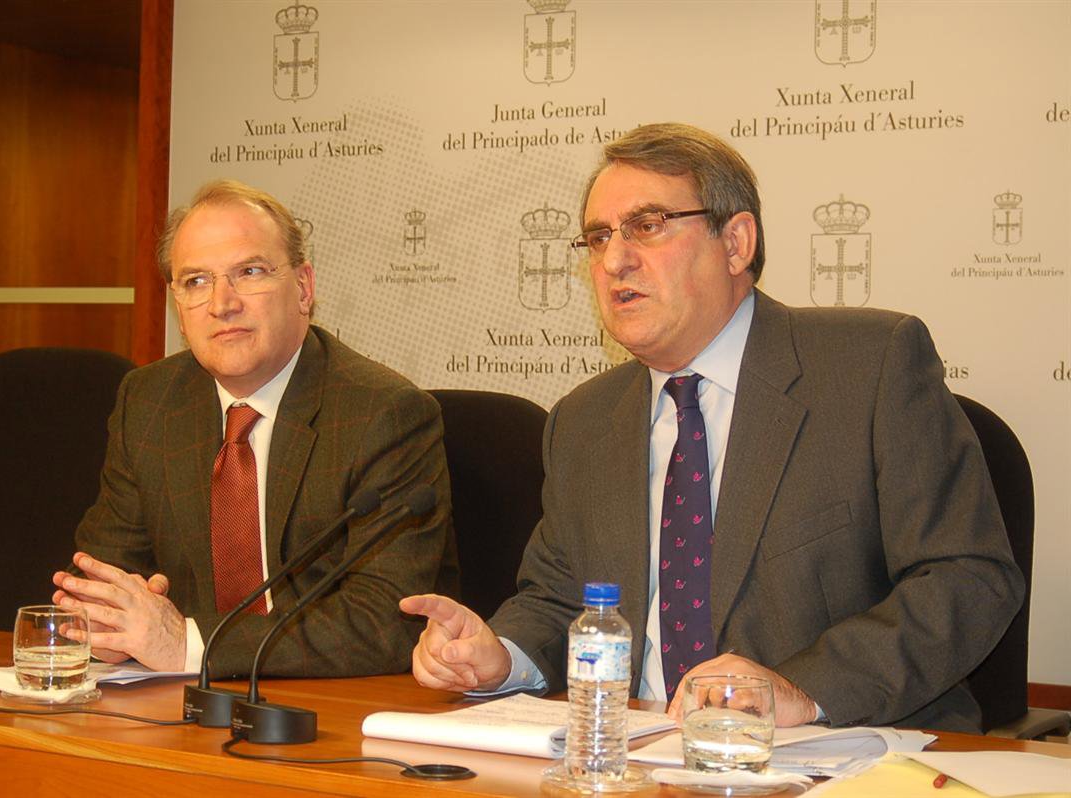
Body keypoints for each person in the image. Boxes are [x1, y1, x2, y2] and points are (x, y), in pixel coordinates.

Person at [401, 123, 1023, 733]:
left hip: (839, 749)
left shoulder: (869, 368)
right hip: (638, 750)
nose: (614, 260)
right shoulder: (584, 419)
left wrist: (803, 688)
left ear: (736, 243)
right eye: (597, 237)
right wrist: (501, 656)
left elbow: (967, 576)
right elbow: (559, 598)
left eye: (648, 226)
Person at [53, 179, 458, 678]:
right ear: (178, 305)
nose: (222, 303)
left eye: (249, 272)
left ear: (303, 288)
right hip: (177, 702)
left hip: (329, 704)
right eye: (196, 281)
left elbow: (388, 618)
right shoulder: (150, 401)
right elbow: (103, 571)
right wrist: (106, 624)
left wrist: (188, 644)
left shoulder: (383, 413)